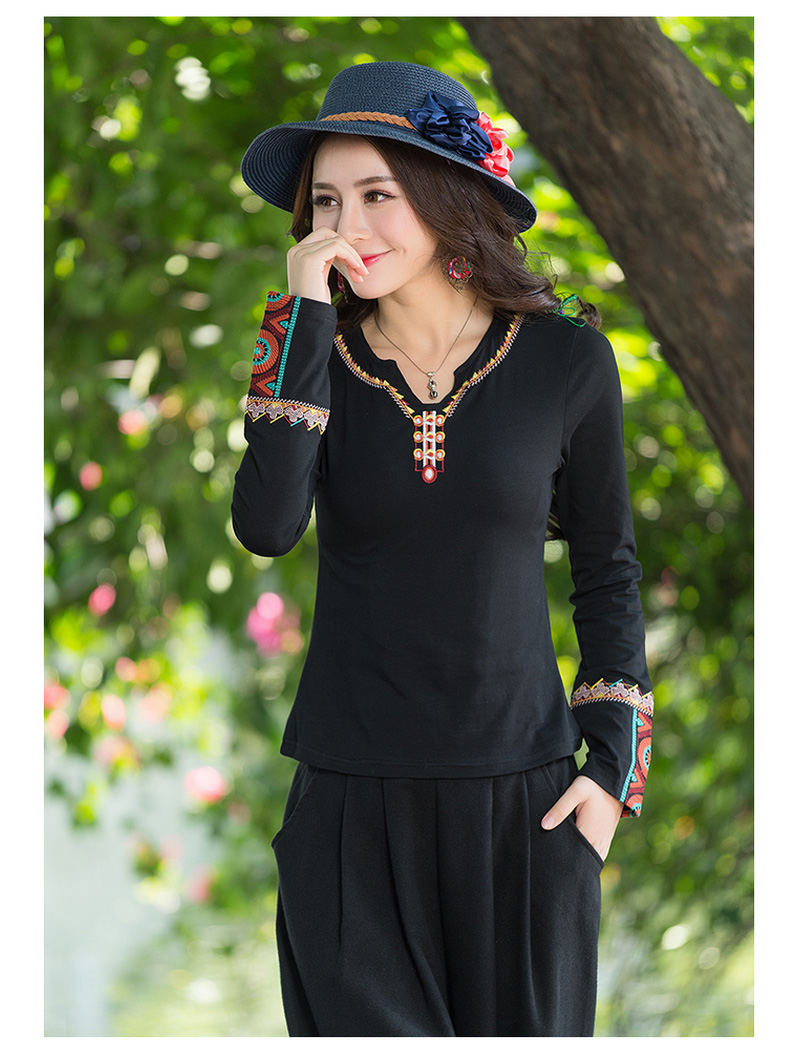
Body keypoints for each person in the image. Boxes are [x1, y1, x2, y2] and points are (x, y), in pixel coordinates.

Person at [231, 61, 653, 1038]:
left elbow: (608, 569)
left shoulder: (565, 360)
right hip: (347, 808)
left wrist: (610, 778)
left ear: (446, 194)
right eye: (326, 201)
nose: (348, 226)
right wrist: (302, 317)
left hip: (528, 810)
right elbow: (266, 527)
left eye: (378, 194)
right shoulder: (310, 356)